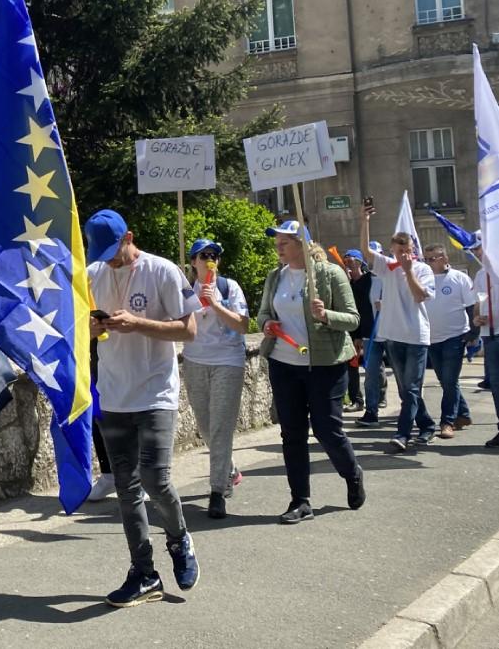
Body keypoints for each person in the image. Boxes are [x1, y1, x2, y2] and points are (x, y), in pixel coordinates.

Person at [83, 209, 201, 608]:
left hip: (155, 393)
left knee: (155, 477)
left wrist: (139, 323)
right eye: (100, 252)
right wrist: (93, 328)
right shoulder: (94, 273)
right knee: (126, 486)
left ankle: (179, 537)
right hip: (114, 395)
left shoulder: (163, 271)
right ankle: (144, 572)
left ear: (129, 237)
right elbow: (78, 327)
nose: (109, 259)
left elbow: (189, 329)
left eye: (113, 249)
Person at [257, 221, 365, 524]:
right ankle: (300, 500)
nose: (278, 247)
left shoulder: (330, 274)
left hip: (324, 365)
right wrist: (266, 325)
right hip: (284, 363)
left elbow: (353, 320)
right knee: (292, 434)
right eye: (277, 242)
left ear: (302, 245)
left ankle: (352, 473)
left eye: (285, 242)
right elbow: (263, 314)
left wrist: (326, 315)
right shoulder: (275, 277)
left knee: (327, 430)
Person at [179, 238, 250, 519]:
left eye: (215, 255)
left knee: (221, 427)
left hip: (227, 361)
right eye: (204, 255)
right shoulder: (185, 289)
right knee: (205, 426)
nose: (210, 259)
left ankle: (217, 492)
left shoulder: (228, 288)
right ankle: (229, 469)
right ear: (194, 261)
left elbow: (243, 325)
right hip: (196, 361)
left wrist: (216, 304)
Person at [360, 205, 437, 453]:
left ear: (413, 251)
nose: (404, 254)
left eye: (408, 251)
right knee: (406, 390)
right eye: (399, 250)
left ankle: (402, 434)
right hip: (393, 336)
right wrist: (365, 219)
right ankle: (426, 425)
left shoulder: (422, 269)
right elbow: (365, 251)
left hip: (416, 336)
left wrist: (408, 271)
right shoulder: (386, 268)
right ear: (393, 250)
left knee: (412, 388)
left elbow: (420, 296)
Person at [422, 244, 475, 439]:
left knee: (450, 381)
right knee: (445, 380)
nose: (427, 263)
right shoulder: (424, 279)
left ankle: (447, 422)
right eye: (425, 259)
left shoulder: (459, 278)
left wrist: (473, 334)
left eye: (431, 259)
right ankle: (464, 414)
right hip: (431, 338)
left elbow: (471, 306)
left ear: (444, 258)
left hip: (454, 336)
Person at [357, 242, 389, 427]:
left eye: (375, 256)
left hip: (392, 333)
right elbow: (359, 308)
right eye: (368, 256)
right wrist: (359, 335)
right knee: (370, 374)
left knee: (402, 377)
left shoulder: (392, 277)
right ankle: (371, 411)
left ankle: (410, 412)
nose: (372, 260)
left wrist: (388, 305)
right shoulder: (364, 281)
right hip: (371, 333)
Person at [342, 249, 374, 413]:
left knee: (373, 368)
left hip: (369, 330)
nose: (347, 262)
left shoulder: (368, 280)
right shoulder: (345, 284)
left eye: (351, 259)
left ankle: (377, 399)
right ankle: (357, 400)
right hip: (352, 331)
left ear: (360, 262)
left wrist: (361, 336)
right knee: (352, 367)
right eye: (345, 259)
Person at [471, 267, 499, 448]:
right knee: (496, 385)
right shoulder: (481, 274)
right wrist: (476, 318)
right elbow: (477, 303)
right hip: (489, 334)